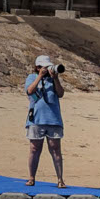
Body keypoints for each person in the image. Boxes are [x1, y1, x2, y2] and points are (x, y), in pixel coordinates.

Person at [23, 54, 67, 188]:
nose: (47, 69)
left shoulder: (53, 79)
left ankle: (60, 179)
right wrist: (40, 77)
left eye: (48, 66)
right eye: (44, 67)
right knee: (34, 149)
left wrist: (55, 79)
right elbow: (30, 90)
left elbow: (60, 94)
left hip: (53, 119)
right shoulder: (32, 77)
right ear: (37, 67)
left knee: (55, 149)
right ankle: (31, 178)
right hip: (36, 119)